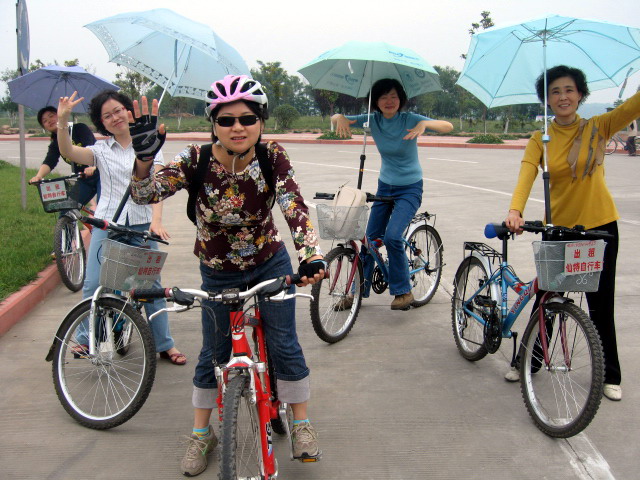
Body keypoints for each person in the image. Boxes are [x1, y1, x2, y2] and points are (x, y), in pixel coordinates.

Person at [129, 75, 325, 476]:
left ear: (261, 121)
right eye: (226, 120)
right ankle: (202, 435)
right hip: (218, 272)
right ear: (213, 124)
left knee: (284, 342)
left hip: (269, 261)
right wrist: (144, 160)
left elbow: (293, 204)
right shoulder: (195, 159)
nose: (238, 127)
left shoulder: (272, 155)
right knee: (213, 354)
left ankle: (301, 423)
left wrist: (310, 255)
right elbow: (145, 194)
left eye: (247, 118)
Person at [504, 65, 640, 401]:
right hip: (558, 229)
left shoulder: (598, 127)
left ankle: (610, 375)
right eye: (555, 91)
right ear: (546, 99)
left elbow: (632, 107)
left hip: (600, 226)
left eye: (569, 90)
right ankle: (530, 360)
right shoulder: (540, 139)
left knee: (600, 304)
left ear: (580, 94)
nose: (562, 97)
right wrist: (515, 210)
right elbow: (526, 174)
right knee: (546, 299)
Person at [55, 90, 186, 366]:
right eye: (107, 116)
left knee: (150, 288)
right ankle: (87, 337)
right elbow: (68, 151)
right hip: (109, 224)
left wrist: (156, 221)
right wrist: (62, 121)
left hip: (141, 225)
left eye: (118, 111)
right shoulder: (100, 150)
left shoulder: (150, 146)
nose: (115, 118)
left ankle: (164, 344)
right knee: (95, 284)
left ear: (129, 111)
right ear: (101, 123)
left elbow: (157, 186)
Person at [331, 78, 453, 310]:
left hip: (410, 188)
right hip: (385, 186)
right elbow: (337, 117)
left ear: (401, 99)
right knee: (369, 240)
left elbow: (448, 126)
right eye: (383, 97)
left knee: (393, 237)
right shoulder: (373, 120)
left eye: (394, 96)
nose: (389, 101)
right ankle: (357, 293)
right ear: (375, 101)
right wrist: (340, 118)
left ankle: (403, 291)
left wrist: (424, 124)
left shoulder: (410, 119)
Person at [30, 106, 100, 207]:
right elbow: (50, 161)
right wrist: (39, 176)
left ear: (60, 115)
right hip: (83, 178)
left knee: (104, 209)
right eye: (45, 121)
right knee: (66, 209)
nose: (49, 121)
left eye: (51, 116)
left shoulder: (80, 128)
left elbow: (91, 148)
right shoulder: (56, 143)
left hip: (100, 173)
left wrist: (93, 166)